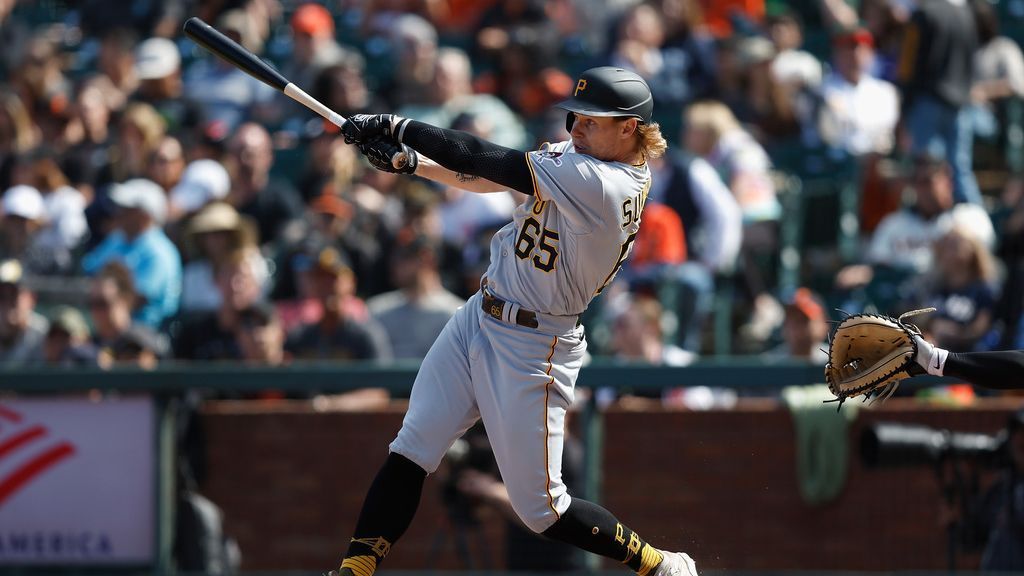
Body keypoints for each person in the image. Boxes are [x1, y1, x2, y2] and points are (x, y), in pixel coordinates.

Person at [329, 66, 698, 576]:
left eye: (590, 121)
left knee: (544, 511)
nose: (576, 128)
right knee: (413, 447)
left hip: (535, 345)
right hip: (480, 314)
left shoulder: (607, 183)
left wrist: (398, 126)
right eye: (575, 117)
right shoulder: (585, 155)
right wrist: (413, 164)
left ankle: (657, 564)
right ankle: (356, 569)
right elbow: (491, 177)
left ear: (629, 128)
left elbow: (490, 158)